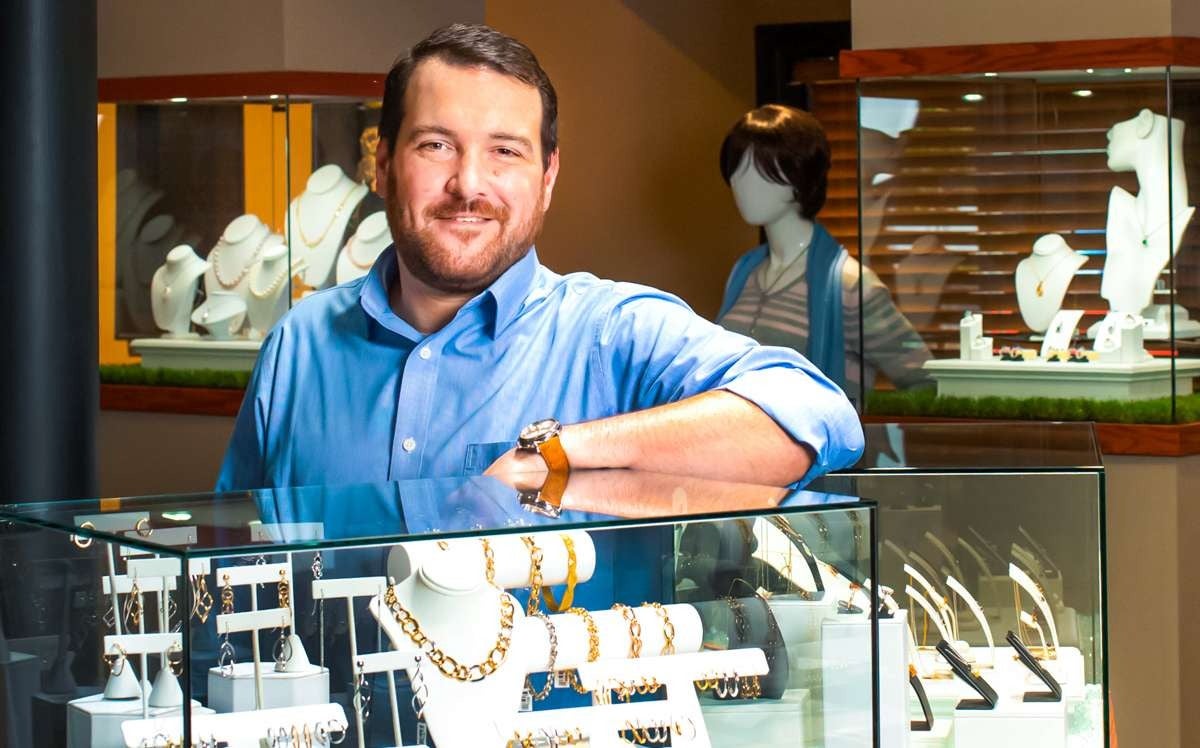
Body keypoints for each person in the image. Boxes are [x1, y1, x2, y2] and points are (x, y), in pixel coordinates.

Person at [216, 24, 862, 493]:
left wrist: (559, 453)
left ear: (547, 176)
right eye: (437, 145)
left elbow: (815, 410)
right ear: (381, 164)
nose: (469, 184)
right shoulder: (299, 345)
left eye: (505, 151)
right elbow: (234, 568)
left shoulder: (613, 334)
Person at [716, 105, 932, 402]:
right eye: (737, 168)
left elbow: (924, 381)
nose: (743, 183)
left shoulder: (850, 285)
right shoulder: (745, 273)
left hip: (819, 446)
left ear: (799, 176)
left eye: (760, 170)